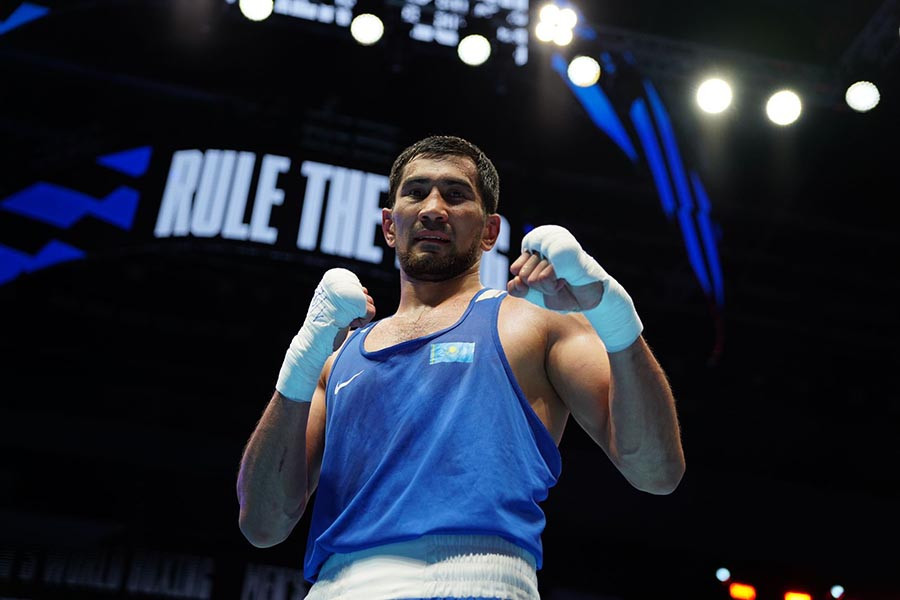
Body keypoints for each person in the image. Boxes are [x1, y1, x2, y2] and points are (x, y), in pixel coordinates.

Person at [236, 135, 685, 599]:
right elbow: (262, 526)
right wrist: (300, 362)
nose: (433, 209)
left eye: (455, 195)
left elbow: (656, 471)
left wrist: (611, 312)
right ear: (389, 225)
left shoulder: (534, 321)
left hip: (477, 577)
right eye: (416, 192)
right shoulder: (334, 358)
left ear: (490, 232)